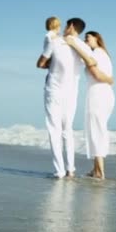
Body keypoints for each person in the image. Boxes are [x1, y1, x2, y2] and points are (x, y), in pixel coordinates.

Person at [36, 18, 89, 178]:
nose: (64, 28)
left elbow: (40, 63)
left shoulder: (55, 41)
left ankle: (59, 171)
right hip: (71, 93)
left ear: (71, 26)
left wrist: (51, 64)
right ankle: (71, 170)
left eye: (66, 25)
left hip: (54, 90)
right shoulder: (83, 46)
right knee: (68, 131)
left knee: (54, 130)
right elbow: (91, 62)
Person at [65, 31, 114, 179]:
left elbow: (97, 74)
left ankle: (99, 172)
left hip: (98, 94)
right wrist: (110, 80)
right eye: (84, 38)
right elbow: (108, 77)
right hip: (105, 94)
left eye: (88, 38)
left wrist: (74, 44)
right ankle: (95, 169)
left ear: (97, 39)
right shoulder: (104, 54)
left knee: (96, 131)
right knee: (98, 129)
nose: (85, 40)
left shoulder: (98, 54)